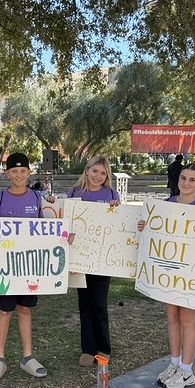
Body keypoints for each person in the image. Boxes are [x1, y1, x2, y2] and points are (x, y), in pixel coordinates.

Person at [138, 163, 195, 388]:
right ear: (177, 180)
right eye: (183, 178)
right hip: (169, 271)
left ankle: (187, 370)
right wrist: (144, 225)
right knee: (171, 317)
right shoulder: (166, 206)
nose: (187, 183)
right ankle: (173, 363)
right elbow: (154, 231)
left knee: (186, 320)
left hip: (191, 274)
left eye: (192, 179)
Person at [0, 152, 49, 381]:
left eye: (23, 171)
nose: (19, 175)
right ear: (7, 174)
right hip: (5, 268)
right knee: (5, 310)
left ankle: (28, 356)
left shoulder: (37, 199)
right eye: (14, 171)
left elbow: (49, 228)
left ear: (29, 173)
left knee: (25, 309)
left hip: (28, 267)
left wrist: (64, 237)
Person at [68, 156, 121, 367]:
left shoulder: (111, 194)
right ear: (87, 170)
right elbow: (66, 221)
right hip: (79, 258)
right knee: (84, 304)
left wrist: (116, 208)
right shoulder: (74, 193)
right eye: (95, 171)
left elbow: (118, 224)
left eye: (103, 173)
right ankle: (87, 349)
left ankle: (103, 348)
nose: (98, 176)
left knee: (99, 303)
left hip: (102, 259)